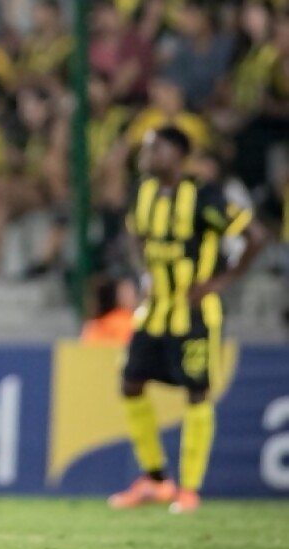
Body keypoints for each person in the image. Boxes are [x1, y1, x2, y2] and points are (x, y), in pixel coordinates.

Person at [109, 127, 266, 514]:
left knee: (196, 393)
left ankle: (190, 489)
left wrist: (218, 282)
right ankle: (157, 480)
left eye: (154, 148)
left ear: (177, 154)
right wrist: (142, 272)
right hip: (155, 310)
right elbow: (134, 234)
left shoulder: (203, 196)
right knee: (130, 383)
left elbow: (255, 235)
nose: (146, 155)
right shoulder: (143, 191)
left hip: (194, 314)